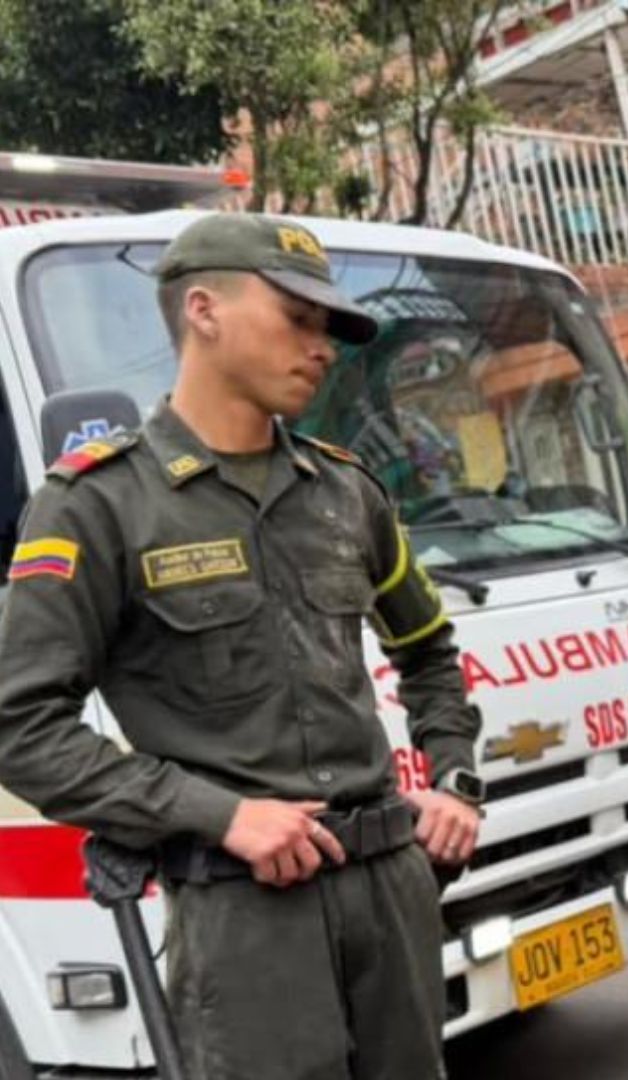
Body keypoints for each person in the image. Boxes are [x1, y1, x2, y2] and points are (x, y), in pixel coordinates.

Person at [0, 213, 485, 1080]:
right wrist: (215, 813)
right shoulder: (97, 507)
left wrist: (454, 779)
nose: (322, 347)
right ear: (203, 310)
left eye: (328, 328)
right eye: (298, 318)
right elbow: (20, 727)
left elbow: (429, 649)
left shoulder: (347, 492)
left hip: (391, 891)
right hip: (248, 918)